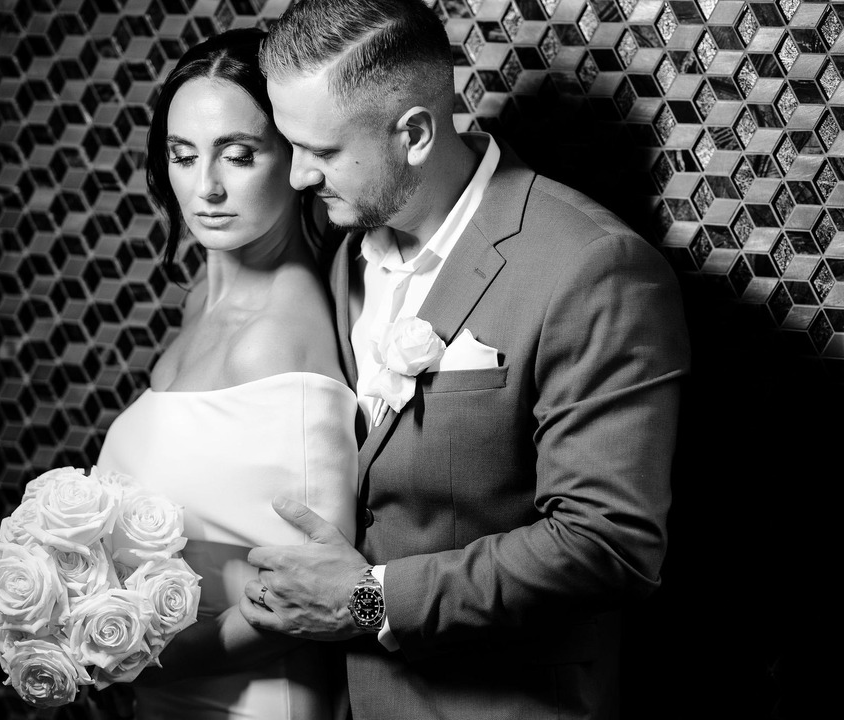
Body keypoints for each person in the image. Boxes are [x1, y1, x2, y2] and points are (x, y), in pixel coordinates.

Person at [238, 1, 691, 719]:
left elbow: (610, 544)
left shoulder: (592, 267)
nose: (295, 177)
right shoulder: (337, 251)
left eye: (320, 152)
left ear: (415, 134)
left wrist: (366, 599)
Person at [94, 27, 357, 720]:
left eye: (238, 156)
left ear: (296, 157)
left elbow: (302, 598)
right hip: (171, 687)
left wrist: (117, 654)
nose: (205, 186)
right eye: (183, 156)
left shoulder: (280, 335)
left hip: (251, 700)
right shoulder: (200, 299)